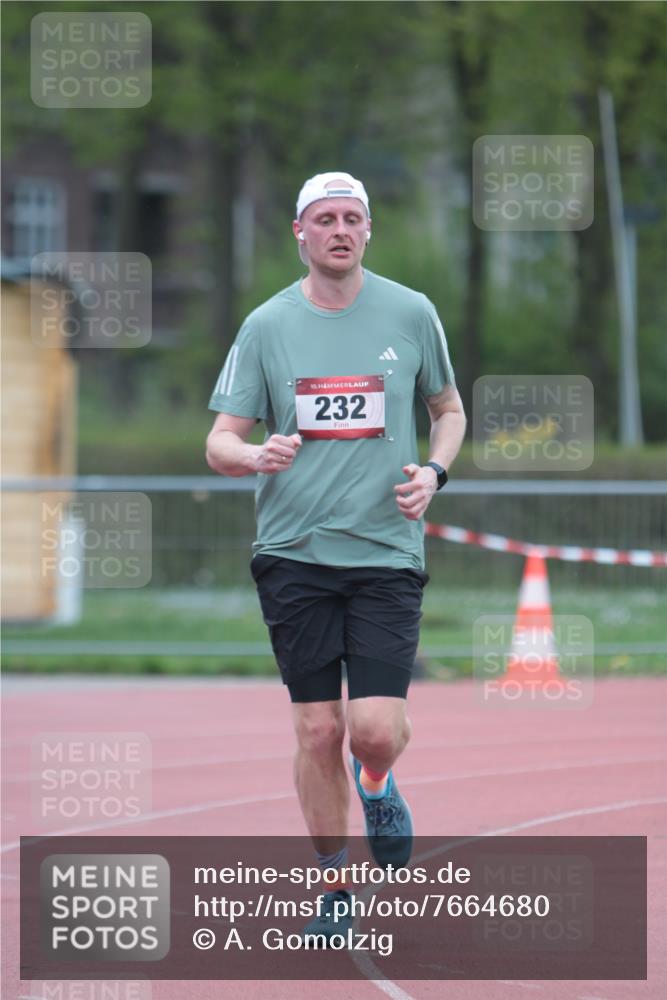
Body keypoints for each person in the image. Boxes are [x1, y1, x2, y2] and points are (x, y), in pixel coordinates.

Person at [206, 171, 466, 940]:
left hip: (386, 550)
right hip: (293, 554)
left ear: (367, 230)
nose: (339, 230)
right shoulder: (266, 326)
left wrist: (433, 472)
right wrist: (254, 456)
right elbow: (219, 440)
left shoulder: (410, 312)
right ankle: (334, 888)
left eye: (352, 218)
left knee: (372, 730)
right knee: (317, 731)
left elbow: (446, 410)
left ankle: (379, 782)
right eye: (324, 219)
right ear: (300, 232)